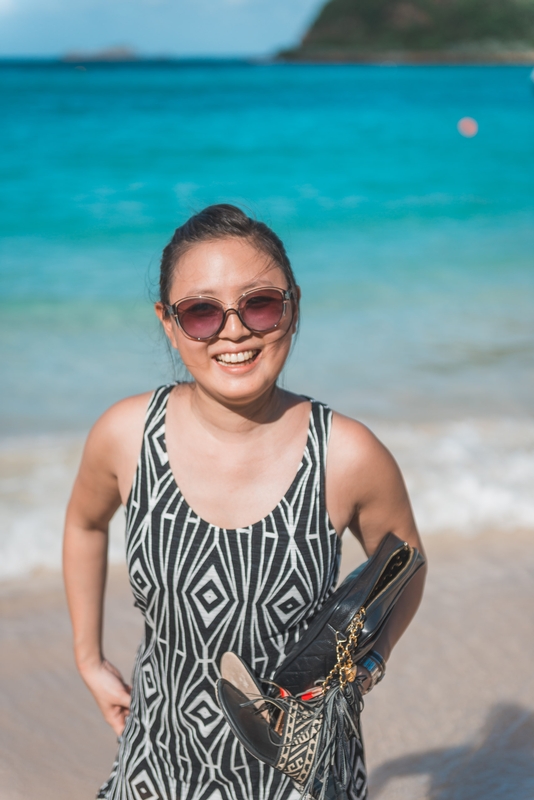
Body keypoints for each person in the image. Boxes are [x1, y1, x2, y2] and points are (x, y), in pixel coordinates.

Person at [63, 204, 426, 800]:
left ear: (293, 306)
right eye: (201, 312)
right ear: (168, 323)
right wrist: (88, 658)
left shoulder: (346, 455)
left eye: (259, 304)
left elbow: (405, 564)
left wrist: (367, 667)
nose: (234, 330)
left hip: (304, 775)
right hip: (158, 765)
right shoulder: (126, 436)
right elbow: (84, 523)